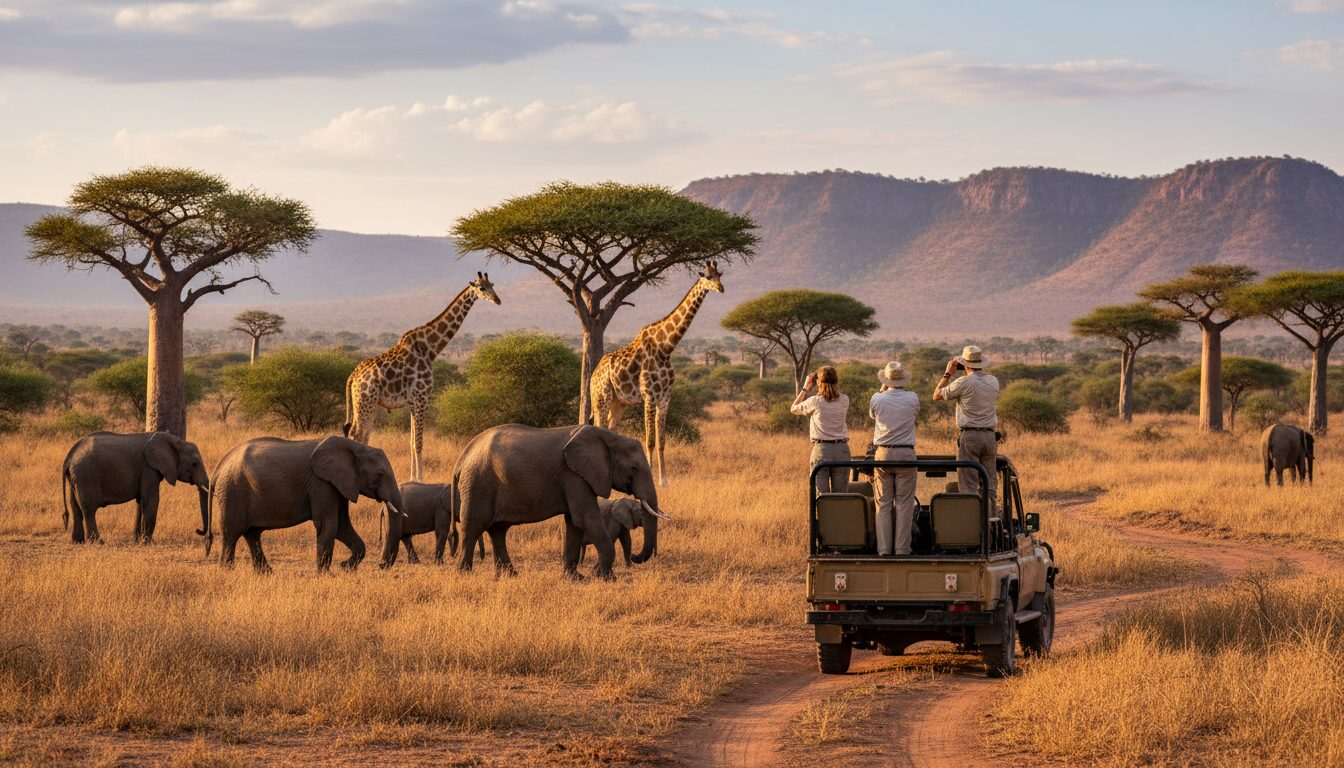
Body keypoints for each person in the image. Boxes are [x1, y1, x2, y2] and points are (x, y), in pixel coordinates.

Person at [933, 345, 1000, 516]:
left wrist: (948, 373)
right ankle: (990, 527)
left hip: (970, 436)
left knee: (969, 485)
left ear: (965, 365)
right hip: (990, 436)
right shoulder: (993, 381)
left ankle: (973, 527)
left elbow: (937, 395)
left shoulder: (963, 382)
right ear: (981, 363)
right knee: (990, 485)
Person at [870, 361, 920, 556]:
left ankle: (883, 549)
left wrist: (883, 388)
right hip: (906, 453)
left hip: (883, 453)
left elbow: (872, 415)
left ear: (886, 380)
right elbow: (914, 413)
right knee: (905, 504)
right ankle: (901, 549)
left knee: (883, 503)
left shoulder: (877, 398)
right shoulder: (912, 397)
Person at [791, 365, 850, 494]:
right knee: (841, 496)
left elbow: (793, 408)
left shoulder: (815, 401)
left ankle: (823, 515)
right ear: (836, 381)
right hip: (842, 450)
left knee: (820, 497)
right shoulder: (845, 400)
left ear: (818, 382)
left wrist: (806, 387)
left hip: (821, 450)